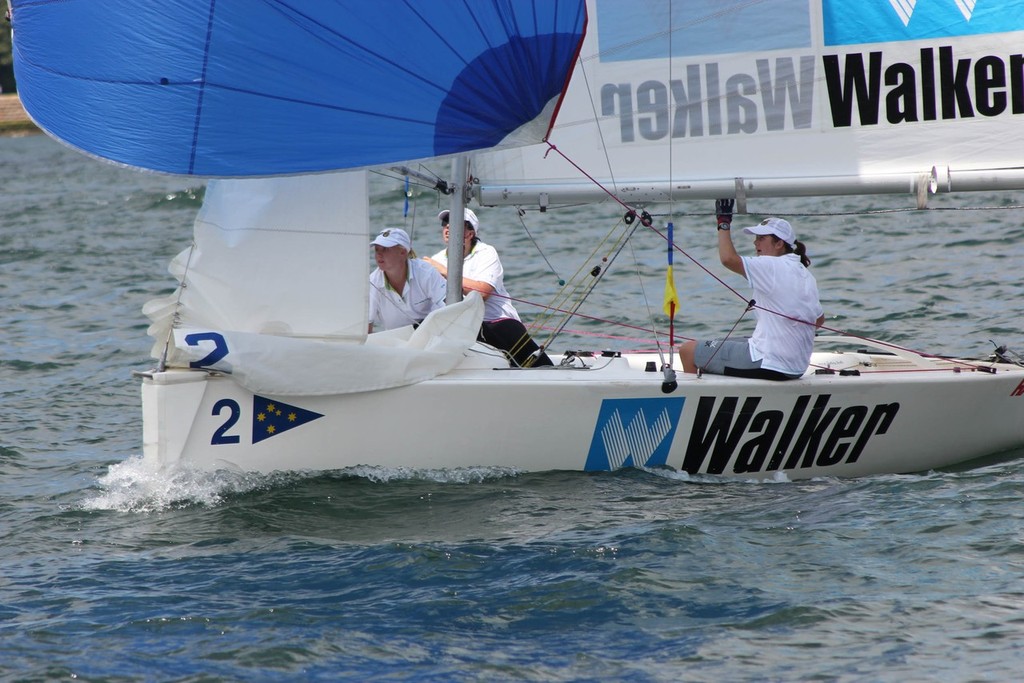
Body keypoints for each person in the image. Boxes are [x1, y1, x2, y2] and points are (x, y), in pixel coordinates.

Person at [679, 199, 824, 380]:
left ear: (779, 244)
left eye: (762, 238)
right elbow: (819, 319)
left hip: (770, 363)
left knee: (688, 350)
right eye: (756, 238)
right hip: (797, 366)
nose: (756, 243)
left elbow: (728, 259)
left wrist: (723, 221)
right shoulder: (804, 273)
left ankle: (697, 402)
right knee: (722, 342)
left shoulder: (771, 264)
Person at [424, 208, 552, 367]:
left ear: (470, 233)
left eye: (456, 223)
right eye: (445, 223)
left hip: (497, 323)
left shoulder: (485, 253)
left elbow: (483, 292)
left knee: (506, 329)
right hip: (462, 328)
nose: (448, 227)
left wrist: (444, 272)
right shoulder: (437, 260)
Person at [368, 227, 447, 332]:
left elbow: (449, 308)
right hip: (396, 342)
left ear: (403, 252)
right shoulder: (372, 282)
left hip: (432, 333)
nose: (378, 254)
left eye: (385, 249)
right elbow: (366, 326)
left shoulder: (426, 272)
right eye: (377, 249)